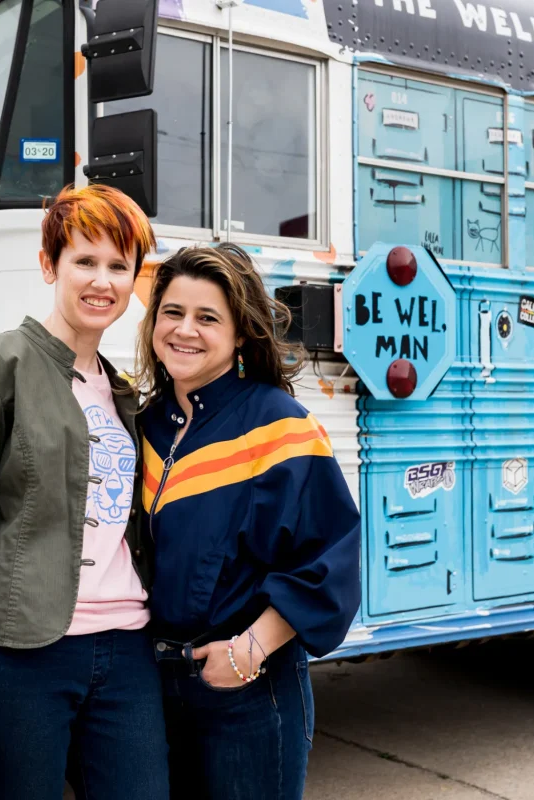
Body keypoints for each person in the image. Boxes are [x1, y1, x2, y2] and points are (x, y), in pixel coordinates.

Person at [0, 183, 169, 800]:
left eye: (119, 266)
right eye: (84, 260)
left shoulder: (124, 391)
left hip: (128, 652)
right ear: (48, 264)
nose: (102, 281)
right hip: (26, 654)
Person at [133, 243, 362, 799]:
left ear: (239, 335)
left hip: (249, 691)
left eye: (207, 318)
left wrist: (249, 652)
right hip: (154, 692)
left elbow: (332, 560)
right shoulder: (143, 427)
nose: (185, 329)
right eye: (173, 312)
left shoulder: (280, 428)